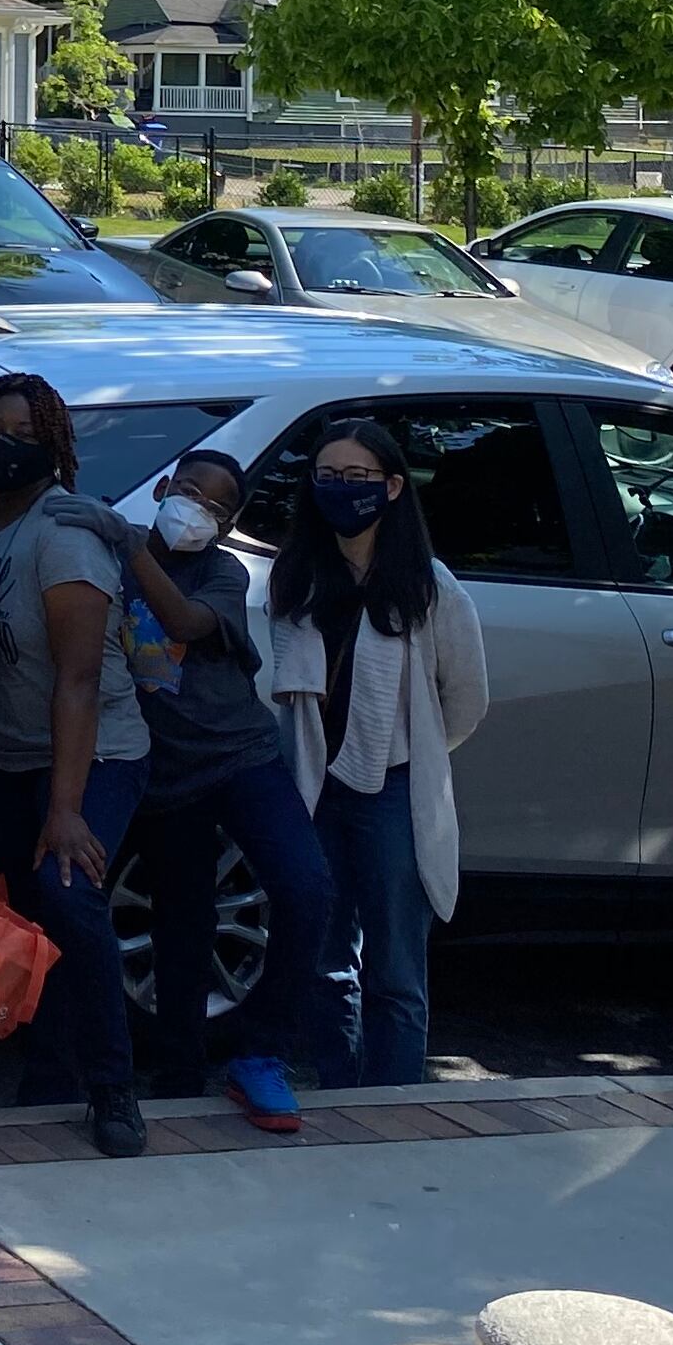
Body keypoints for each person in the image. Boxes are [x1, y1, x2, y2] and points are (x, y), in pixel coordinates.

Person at [66, 449, 328, 1132]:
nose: (195, 511)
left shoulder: (220, 570)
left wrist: (128, 543)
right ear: (160, 488)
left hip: (242, 760)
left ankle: (263, 1048)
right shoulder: (103, 558)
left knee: (305, 888)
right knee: (182, 922)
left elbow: (183, 622)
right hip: (162, 776)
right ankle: (179, 1073)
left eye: (215, 508)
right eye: (187, 492)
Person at [0, 372, 148, 1158]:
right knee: (33, 912)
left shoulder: (62, 535)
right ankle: (49, 1073)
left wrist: (66, 810)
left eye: (28, 434)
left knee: (69, 896)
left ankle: (113, 1088)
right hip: (1, 753)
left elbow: (79, 679)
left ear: (55, 447)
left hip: (91, 754)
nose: (9, 445)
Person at [265, 421, 489, 1091]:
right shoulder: (296, 576)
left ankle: (393, 1105)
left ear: (393, 487)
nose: (342, 490)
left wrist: (413, 755)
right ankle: (339, 1093)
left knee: (395, 966)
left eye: (359, 478)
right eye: (328, 476)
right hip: (316, 785)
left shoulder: (429, 586)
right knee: (325, 958)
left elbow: (466, 699)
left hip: (394, 788)